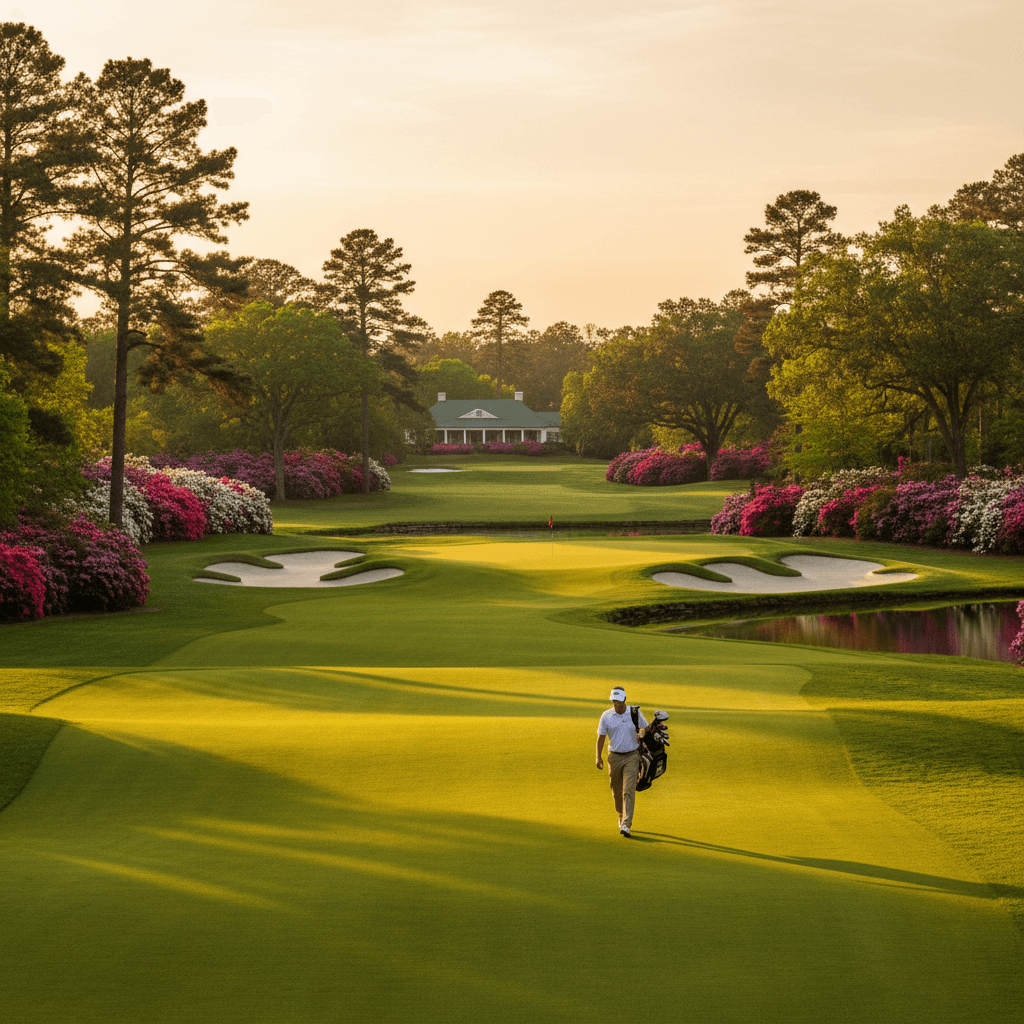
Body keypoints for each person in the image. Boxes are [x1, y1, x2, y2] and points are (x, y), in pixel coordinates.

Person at [595, 686, 647, 838]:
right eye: (613, 701)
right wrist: (598, 757)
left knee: (628, 789)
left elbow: (644, 727)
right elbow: (601, 737)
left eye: (617, 701)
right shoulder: (606, 716)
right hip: (614, 757)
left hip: (632, 755)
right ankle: (620, 813)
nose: (615, 703)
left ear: (624, 699)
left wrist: (641, 734)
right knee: (616, 790)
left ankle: (626, 824)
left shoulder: (634, 713)